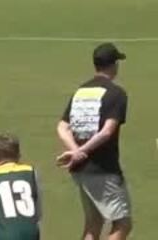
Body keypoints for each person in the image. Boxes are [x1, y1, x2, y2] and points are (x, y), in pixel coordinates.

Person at [56, 43, 131, 240]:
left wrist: (75, 151)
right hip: (103, 169)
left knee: (93, 223)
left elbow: (62, 127)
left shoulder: (81, 92)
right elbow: (107, 132)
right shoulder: (117, 93)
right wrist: (82, 152)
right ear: (113, 65)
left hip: (80, 169)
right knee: (122, 224)